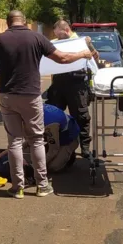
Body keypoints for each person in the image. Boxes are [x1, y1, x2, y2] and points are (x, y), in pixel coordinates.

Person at [0, 10, 93, 199]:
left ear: (8, 23)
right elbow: (62, 58)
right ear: (25, 21)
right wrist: (83, 53)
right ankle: (42, 185)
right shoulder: (37, 38)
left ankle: (17, 187)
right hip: (30, 95)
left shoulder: (0, 39)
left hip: (7, 96)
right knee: (36, 139)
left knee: (14, 141)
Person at [46, 19, 99, 159]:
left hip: (77, 83)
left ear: (66, 30)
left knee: (81, 116)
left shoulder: (81, 41)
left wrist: (90, 46)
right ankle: (56, 145)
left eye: (59, 34)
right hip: (58, 83)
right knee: (54, 115)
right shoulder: (55, 43)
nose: (57, 37)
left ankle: (85, 146)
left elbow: (96, 58)